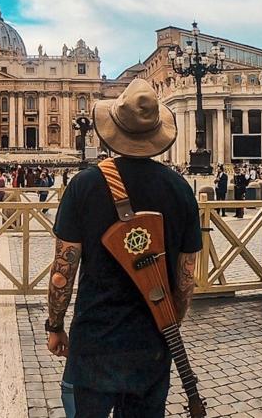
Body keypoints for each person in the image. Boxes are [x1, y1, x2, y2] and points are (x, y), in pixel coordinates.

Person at [46, 79, 202, 417]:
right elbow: (187, 278)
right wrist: (168, 323)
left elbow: (63, 271)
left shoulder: (84, 185)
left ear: (111, 130)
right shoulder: (180, 189)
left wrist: (55, 325)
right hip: (152, 341)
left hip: (95, 337)